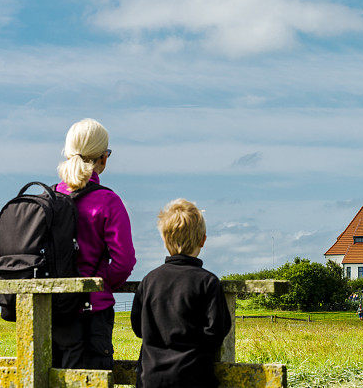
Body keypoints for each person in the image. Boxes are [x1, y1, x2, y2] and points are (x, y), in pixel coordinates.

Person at [53, 119, 136, 370]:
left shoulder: (50, 198)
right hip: (93, 310)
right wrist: (101, 282)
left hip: (53, 309)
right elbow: (124, 261)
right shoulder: (108, 201)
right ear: (103, 159)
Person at [131, 199, 232, 388]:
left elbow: (138, 327)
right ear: (203, 240)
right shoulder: (208, 282)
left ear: (164, 239)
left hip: (150, 378)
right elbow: (217, 330)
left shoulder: (149, 280)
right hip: (193, 376)